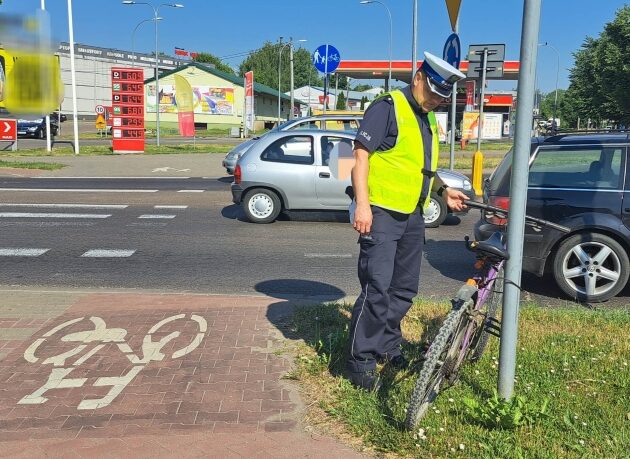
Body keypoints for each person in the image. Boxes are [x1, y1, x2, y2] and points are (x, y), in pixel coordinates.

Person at [346, 51, 469, 391]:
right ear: (418, 77)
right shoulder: (388, 107)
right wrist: (363, 205)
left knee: (403, 289)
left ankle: (387, 346)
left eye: (442, 98)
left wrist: (444, 191)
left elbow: (421, 166)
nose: (435, 101)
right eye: (432, 93)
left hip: (413, 214)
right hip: (382, 213)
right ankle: (361, 361)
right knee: (377, 288)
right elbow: (360, 156)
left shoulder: (427, 118)